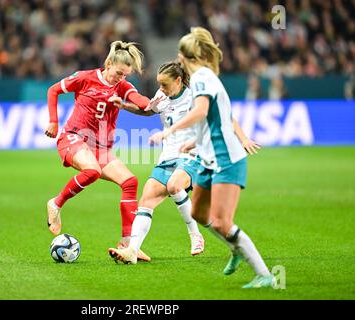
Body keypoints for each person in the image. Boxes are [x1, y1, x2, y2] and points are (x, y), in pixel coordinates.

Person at [148, 27, 274, 289]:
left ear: (183, 57)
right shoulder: (203, 78)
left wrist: (171, 130)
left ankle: (264, 274)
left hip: (226, 158)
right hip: (207, 155)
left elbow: (202, 111)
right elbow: (218, 116)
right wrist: (197, 141)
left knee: (222, 221)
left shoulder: (202, 78)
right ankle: (236, 247)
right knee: (199, 212)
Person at [108, 61, 260, 265]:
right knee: (147, 199)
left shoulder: (194, 98)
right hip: (168, 156)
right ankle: (132, 251)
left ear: (179, 80)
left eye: (165, 84)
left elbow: (226, 118)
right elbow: (148, 111)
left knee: (174, 185)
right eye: (159, 84)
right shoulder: (162, 96)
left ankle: (195, 234)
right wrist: (124, 106)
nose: (161, 89)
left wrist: (243, 139)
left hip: (193, 154)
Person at [44, 40, 153, 262]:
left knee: (130, 182)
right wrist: (53, 122)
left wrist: (156, 101)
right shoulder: (85, 78)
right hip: (72, 137)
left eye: (125, 75)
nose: (120, 78)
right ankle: (55, 203)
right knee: (91, 171)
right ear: (109, 63)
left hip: (100, 147)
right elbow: (53, 90)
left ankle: (127, 243)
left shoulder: (122, 87)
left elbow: (141, 101)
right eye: (118, 73)